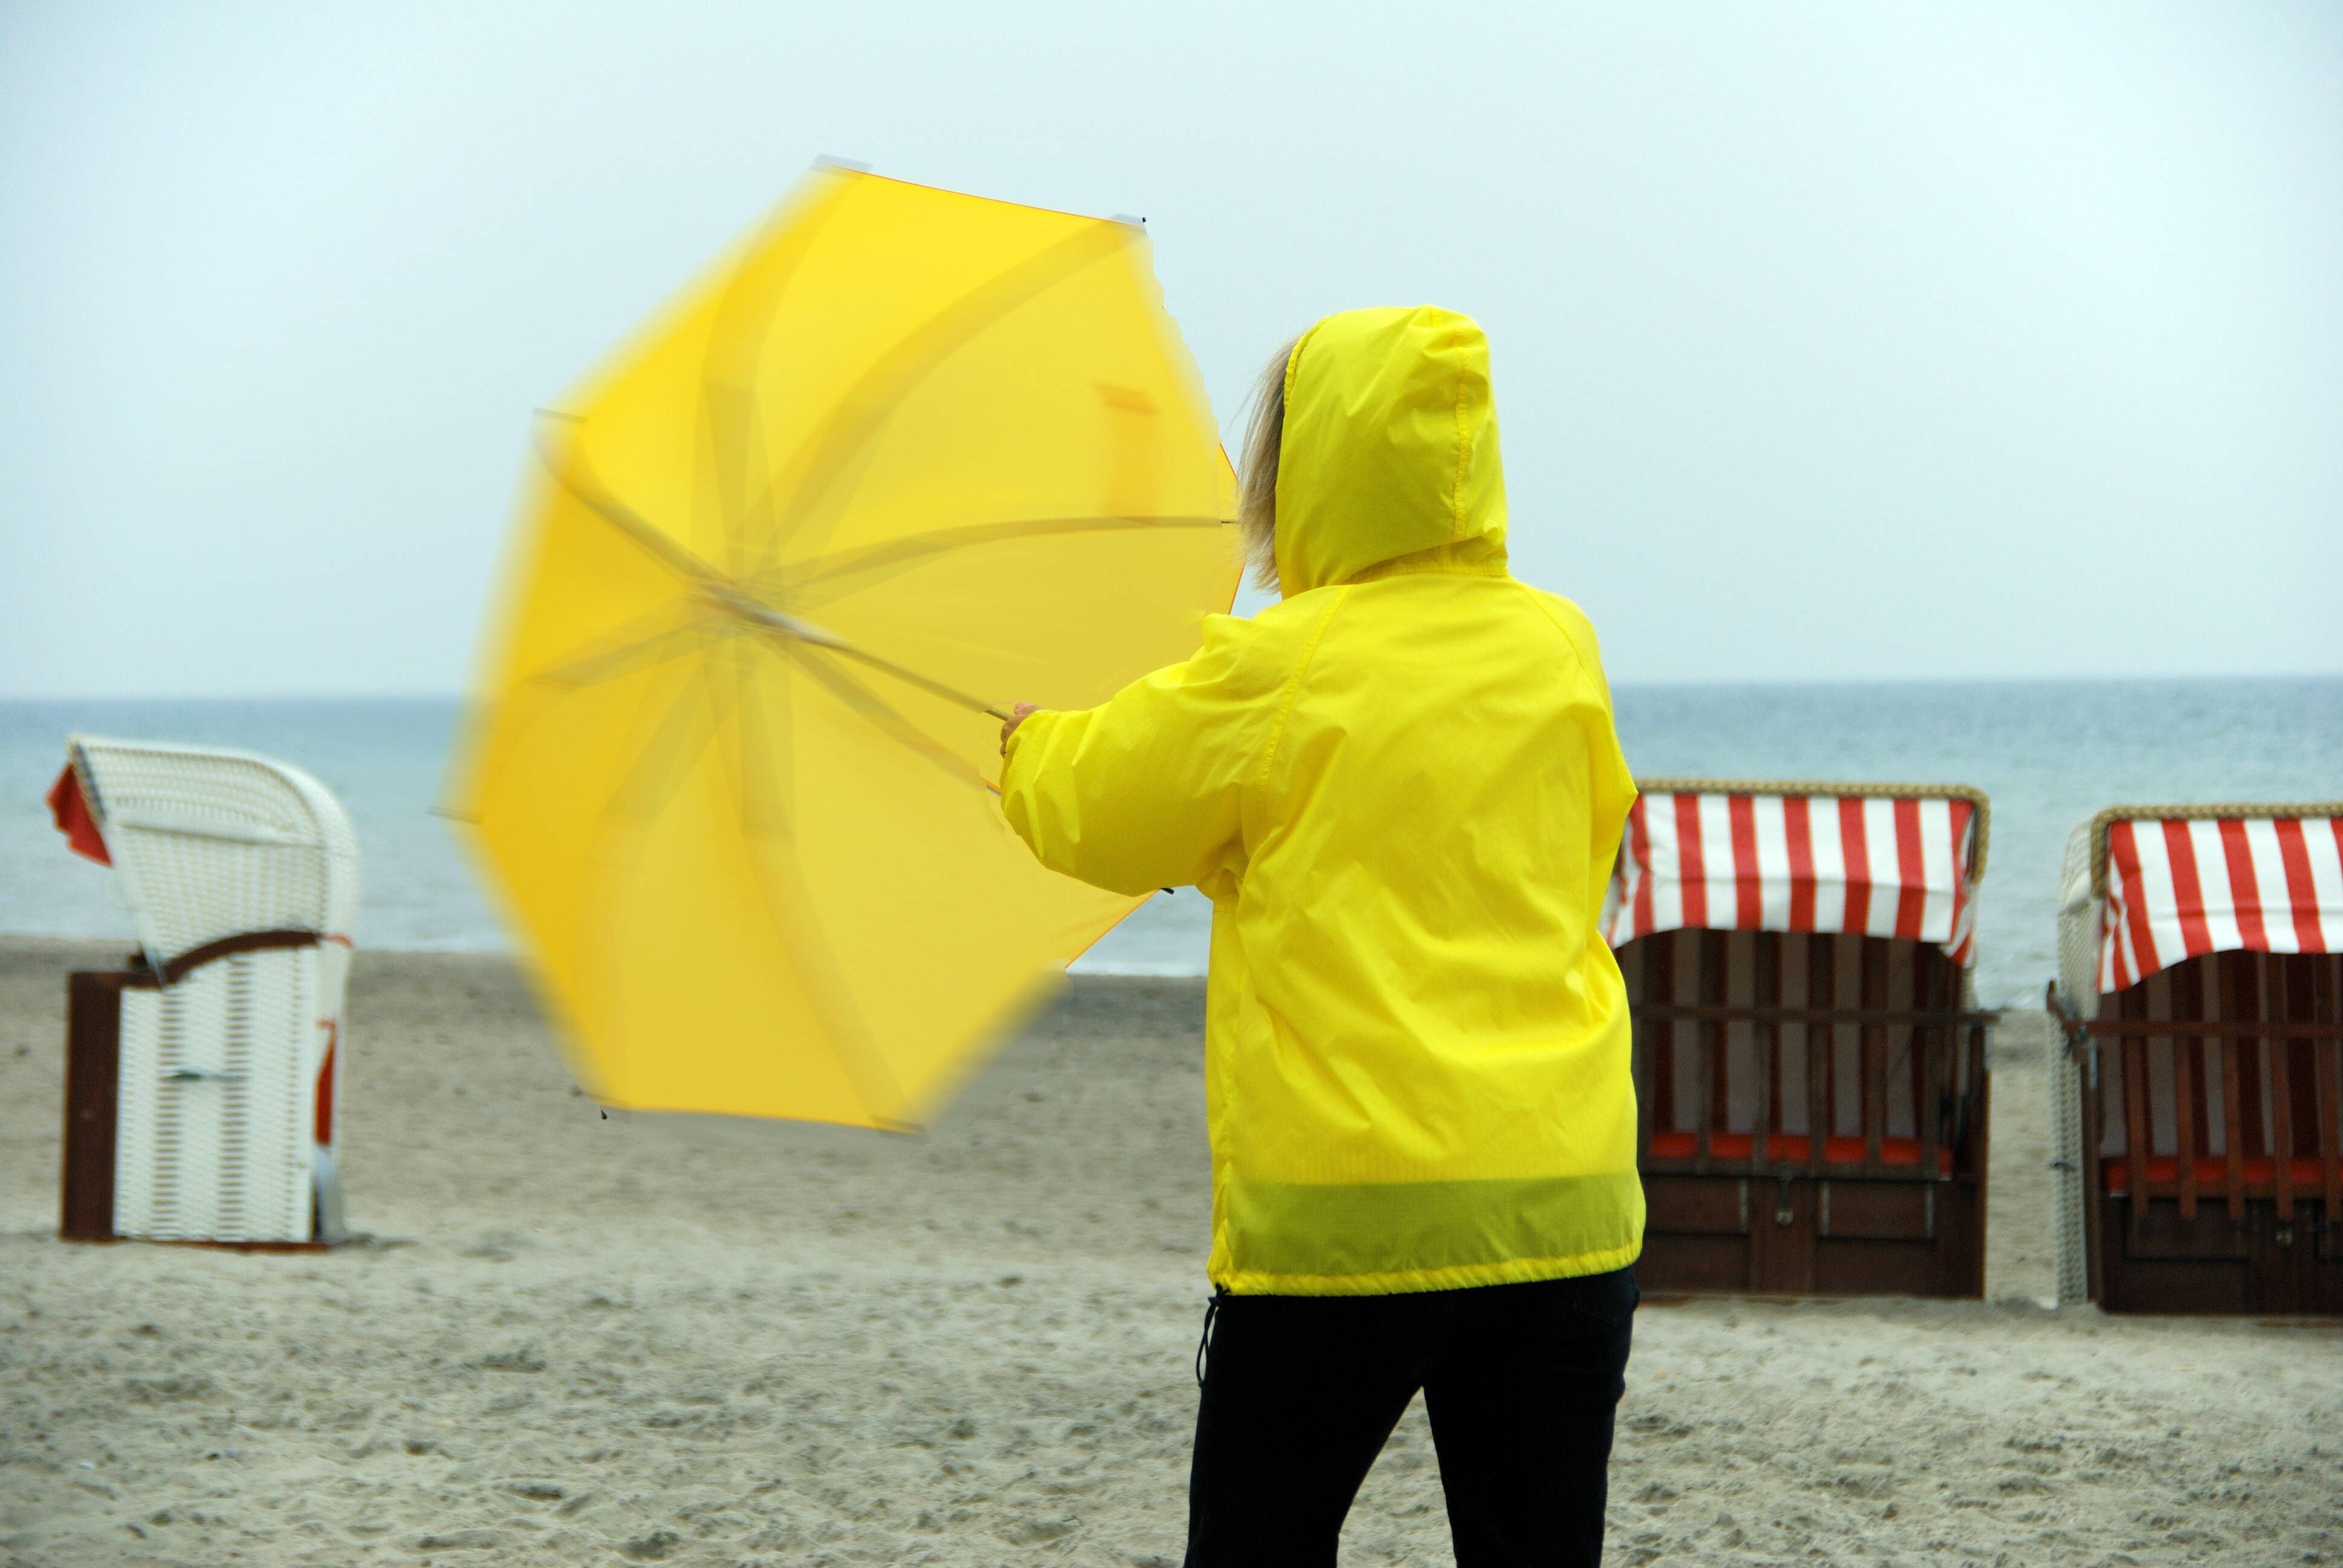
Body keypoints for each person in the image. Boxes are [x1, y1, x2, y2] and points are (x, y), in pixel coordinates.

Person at [997, 305, 1641, 1567]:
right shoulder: (1561, 647)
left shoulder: (1281, 668)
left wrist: (1026, 748)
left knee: (1256, 1550)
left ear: (1306, 471)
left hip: (1346, 1212)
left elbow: (1095, 807)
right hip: (1562, 1201)